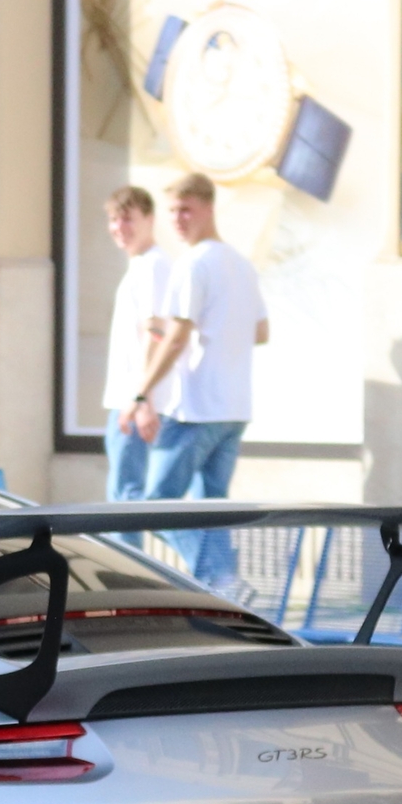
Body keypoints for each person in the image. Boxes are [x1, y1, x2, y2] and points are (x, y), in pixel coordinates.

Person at [125, 173, 268, 587]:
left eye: (186, 209)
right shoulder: (240, 264)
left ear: (209, 208)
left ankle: (219, 579)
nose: (178, 219)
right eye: (171, 211)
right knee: (212, 509)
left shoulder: (194, 263)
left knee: (154, 505)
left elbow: (177, 338)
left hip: (197, 407)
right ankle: (228, 588)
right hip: (234, 408)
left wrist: (141, 392)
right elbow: (260, 331)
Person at [101, 186, 173, 502]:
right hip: (130, 399)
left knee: (126, 501)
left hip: (136, 400)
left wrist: (143, 399)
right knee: (125, 498)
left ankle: (208, 552)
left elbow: (156, 334)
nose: (119, 227)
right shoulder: (142, 265)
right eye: (114, 219)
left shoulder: (154, 266)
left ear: (150, 219)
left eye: (127, 219)